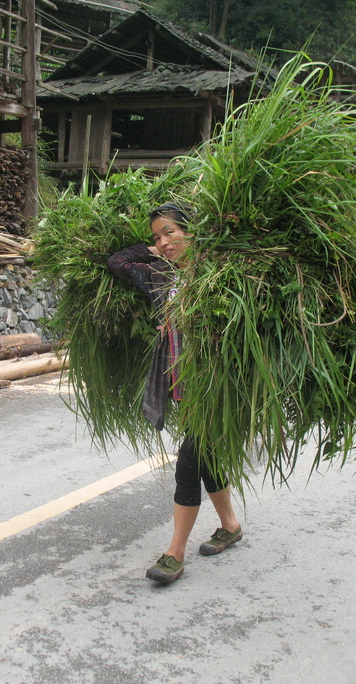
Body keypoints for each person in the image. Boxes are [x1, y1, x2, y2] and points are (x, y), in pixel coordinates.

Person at [107, 203, 243, 585]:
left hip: (219, 388)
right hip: (184, 386)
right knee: (207, 458)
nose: (163, 242)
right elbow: (117, 262)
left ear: (192, 230)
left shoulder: (219, 273)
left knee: (188, 462)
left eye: (170, 232)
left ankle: (175, 553)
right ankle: (230, 525)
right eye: (156, 236)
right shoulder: (160, 278)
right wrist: (153, 249)